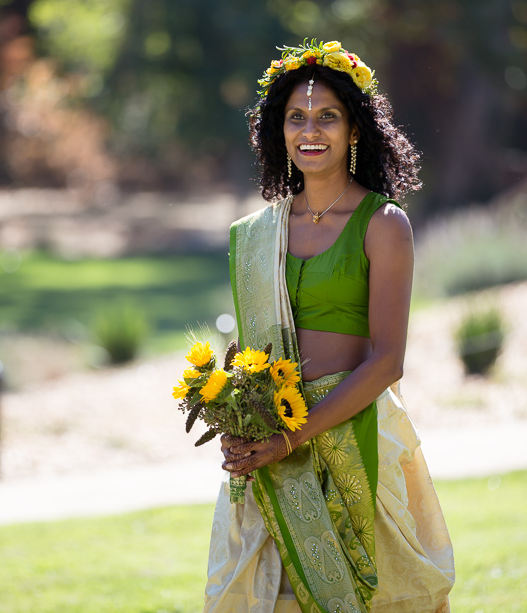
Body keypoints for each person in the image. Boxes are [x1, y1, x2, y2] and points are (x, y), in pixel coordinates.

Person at [203, 39, 454, 613]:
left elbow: (388, 362)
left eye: (326, 117)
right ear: (278, 131)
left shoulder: (383, 224)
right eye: (296, 117)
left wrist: (289, 437)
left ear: (355, 129)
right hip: (268, 443)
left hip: (351, 436)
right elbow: (255, 346)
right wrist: (235, 411)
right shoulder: (259, 232)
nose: (309, 130)